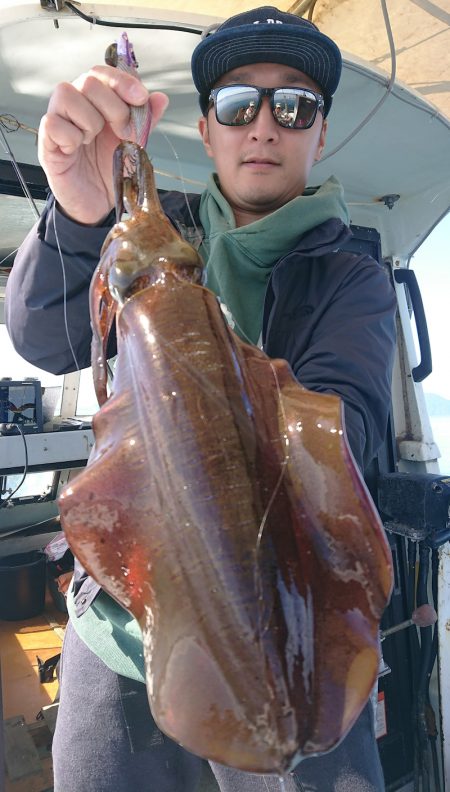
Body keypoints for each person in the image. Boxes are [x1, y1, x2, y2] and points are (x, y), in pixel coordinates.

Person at [5, 6, 397, 791]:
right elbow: (43, 336)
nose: (263, 126)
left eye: (293, 107)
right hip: (118, 631)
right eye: (235, 104)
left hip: (291, 643)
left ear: (318, 134)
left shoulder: (353, 277)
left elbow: (342, 430)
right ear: (208, 128)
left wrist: (173, 316)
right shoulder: (153, 236)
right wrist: (84, 212)